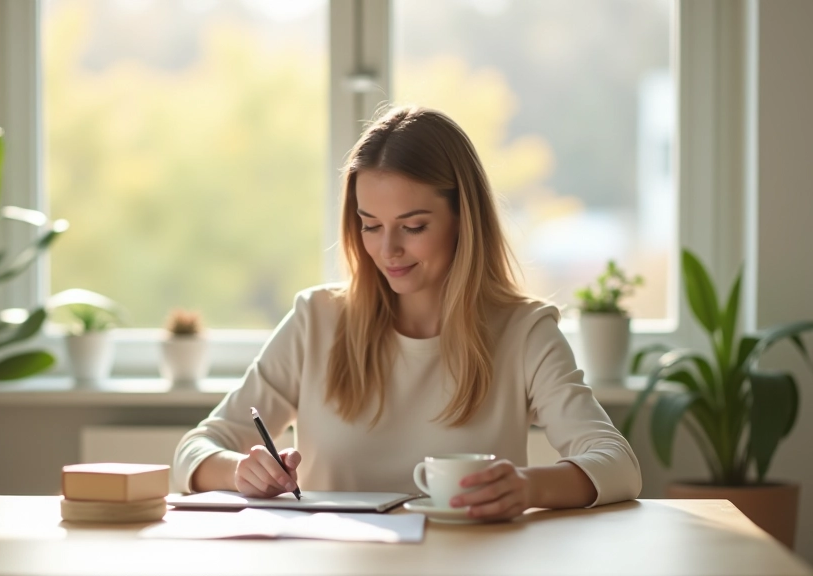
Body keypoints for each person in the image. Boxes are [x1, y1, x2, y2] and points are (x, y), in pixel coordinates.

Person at [172, 105, 641, 521]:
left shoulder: (523, 331)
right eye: (370, 225)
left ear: (463, 217)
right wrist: (243, 472)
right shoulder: (316, 319)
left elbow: (617, 462)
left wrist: (527, 487)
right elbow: (192, 451)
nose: (388, 249)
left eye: (413, 226)